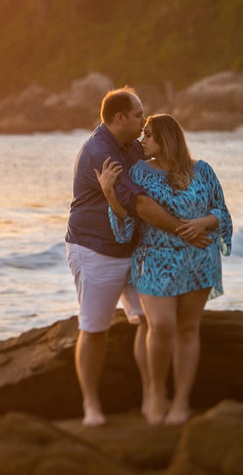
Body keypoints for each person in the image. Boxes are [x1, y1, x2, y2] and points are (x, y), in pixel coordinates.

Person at [65, 87, 211, 427]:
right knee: (94, 328)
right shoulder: (100, 152)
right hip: (95, 250)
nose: (144, 120)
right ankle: (91, 405)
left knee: (149, 321)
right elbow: (141, 204)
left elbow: (164, 174)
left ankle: (152, 396)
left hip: (135, 250)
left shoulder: (133, 145)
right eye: (138, 115)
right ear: (119, 119)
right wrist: (183, 230)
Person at [95, 113, 232, 425]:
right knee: (160, 325)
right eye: (142, 134)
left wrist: (204, 221)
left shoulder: (202, 170)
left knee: (187, 329)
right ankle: (156, 393)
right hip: (154, 259)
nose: (142, 140)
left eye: (149, 135)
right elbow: (128, 221)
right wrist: (110, 195)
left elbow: (222, 212)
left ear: (167, 139)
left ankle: (181, 400)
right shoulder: (139, 172)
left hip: (199, 258)